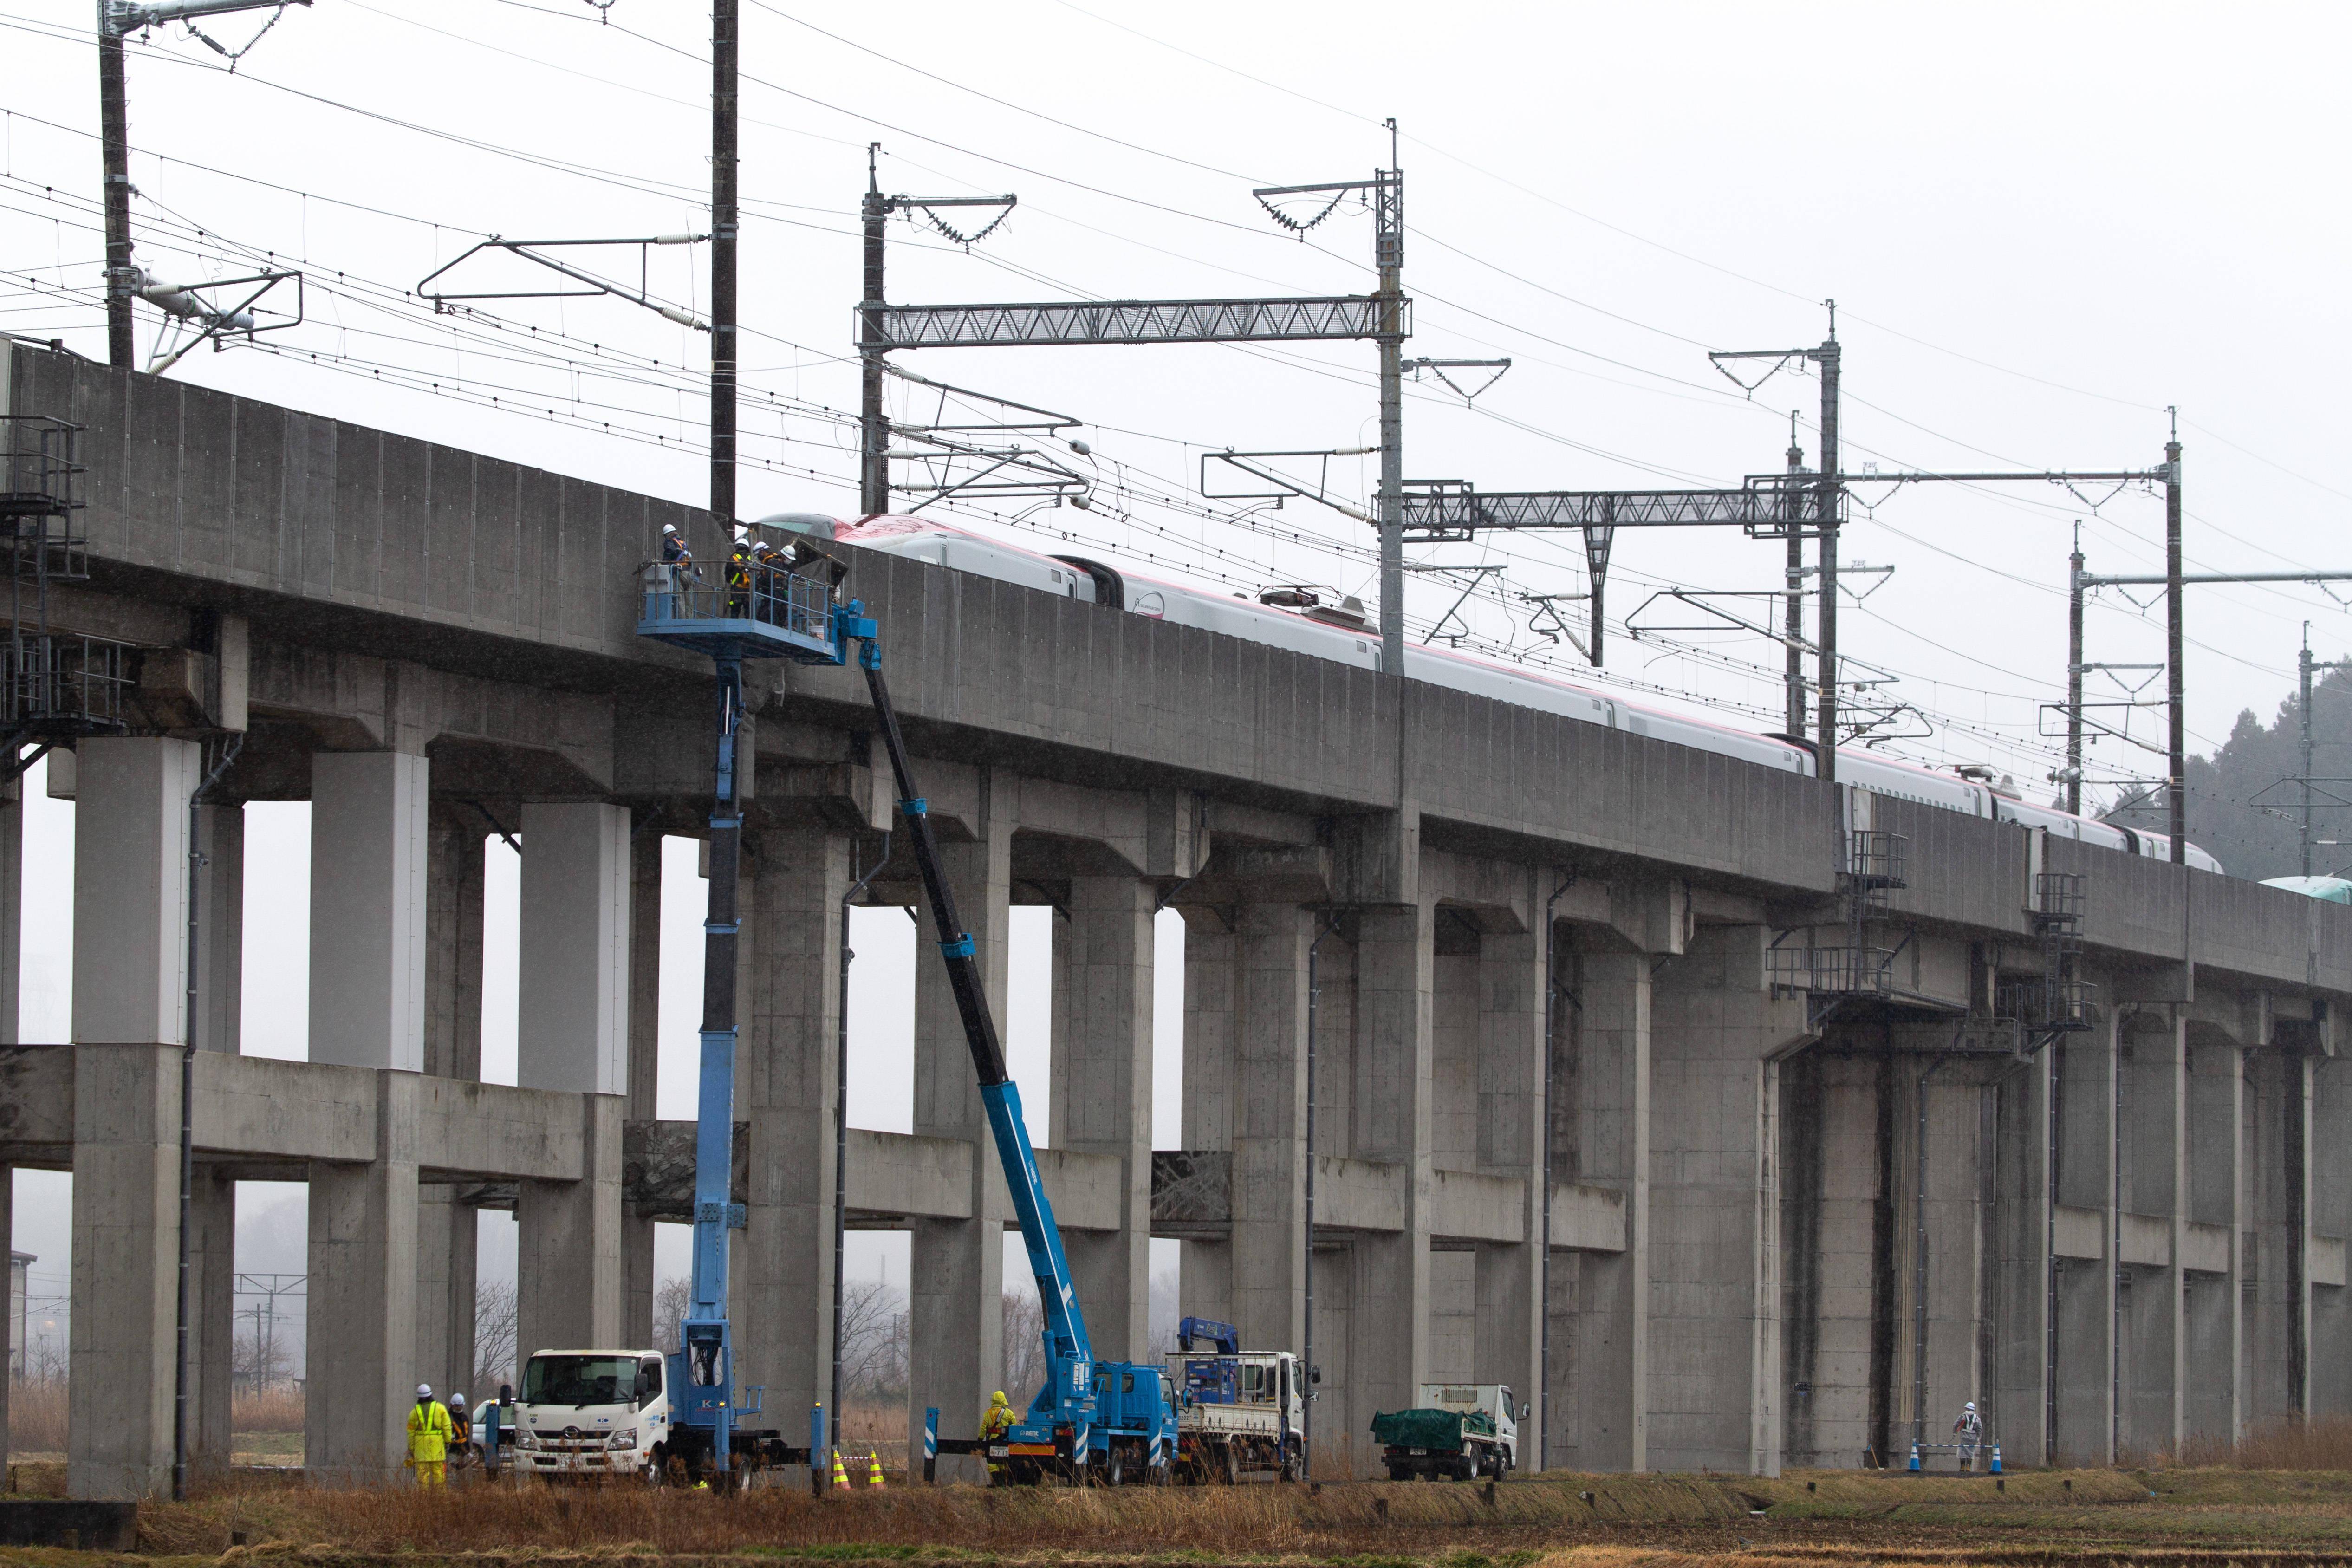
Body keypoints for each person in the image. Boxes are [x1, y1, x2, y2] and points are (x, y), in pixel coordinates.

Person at [407, 1383, 455, 1488]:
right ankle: (440, 1499)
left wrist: (411, 1448)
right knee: (439, 1475)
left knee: (422, 1476)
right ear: (431, 1395)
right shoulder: (441, 1409)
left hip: (421, 1448)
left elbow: (410, 1432)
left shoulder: (414, 1412)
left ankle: (423, 1500)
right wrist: (448, 1441)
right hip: (437, 1446)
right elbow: (447, 1427)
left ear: (419, 1397)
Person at [979, 1389, 1014, 1484]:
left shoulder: (988, 1413)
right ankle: (1003, 1483)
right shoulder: (1009, 1413)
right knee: (1003, 1464)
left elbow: (983, 1428)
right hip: (1005, 1443)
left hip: (992, 1442)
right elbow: (1015, 1428)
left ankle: (996, 1482)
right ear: (1003, 1400)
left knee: (992, 1464)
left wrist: (980, 1439)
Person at [1954, 1399, 1983, 1471]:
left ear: (1967, 1408)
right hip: (1973, 1437)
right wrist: (1978, 1438)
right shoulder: (1977, 1418)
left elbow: (1956, 1424)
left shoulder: (1963, 1416)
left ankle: (1962, 1467)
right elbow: (1980, 1428)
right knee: (1971, 1451)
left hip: (1964, 1436)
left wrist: (1954, 1433)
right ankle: (1968, 1467)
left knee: (1962, 1451)